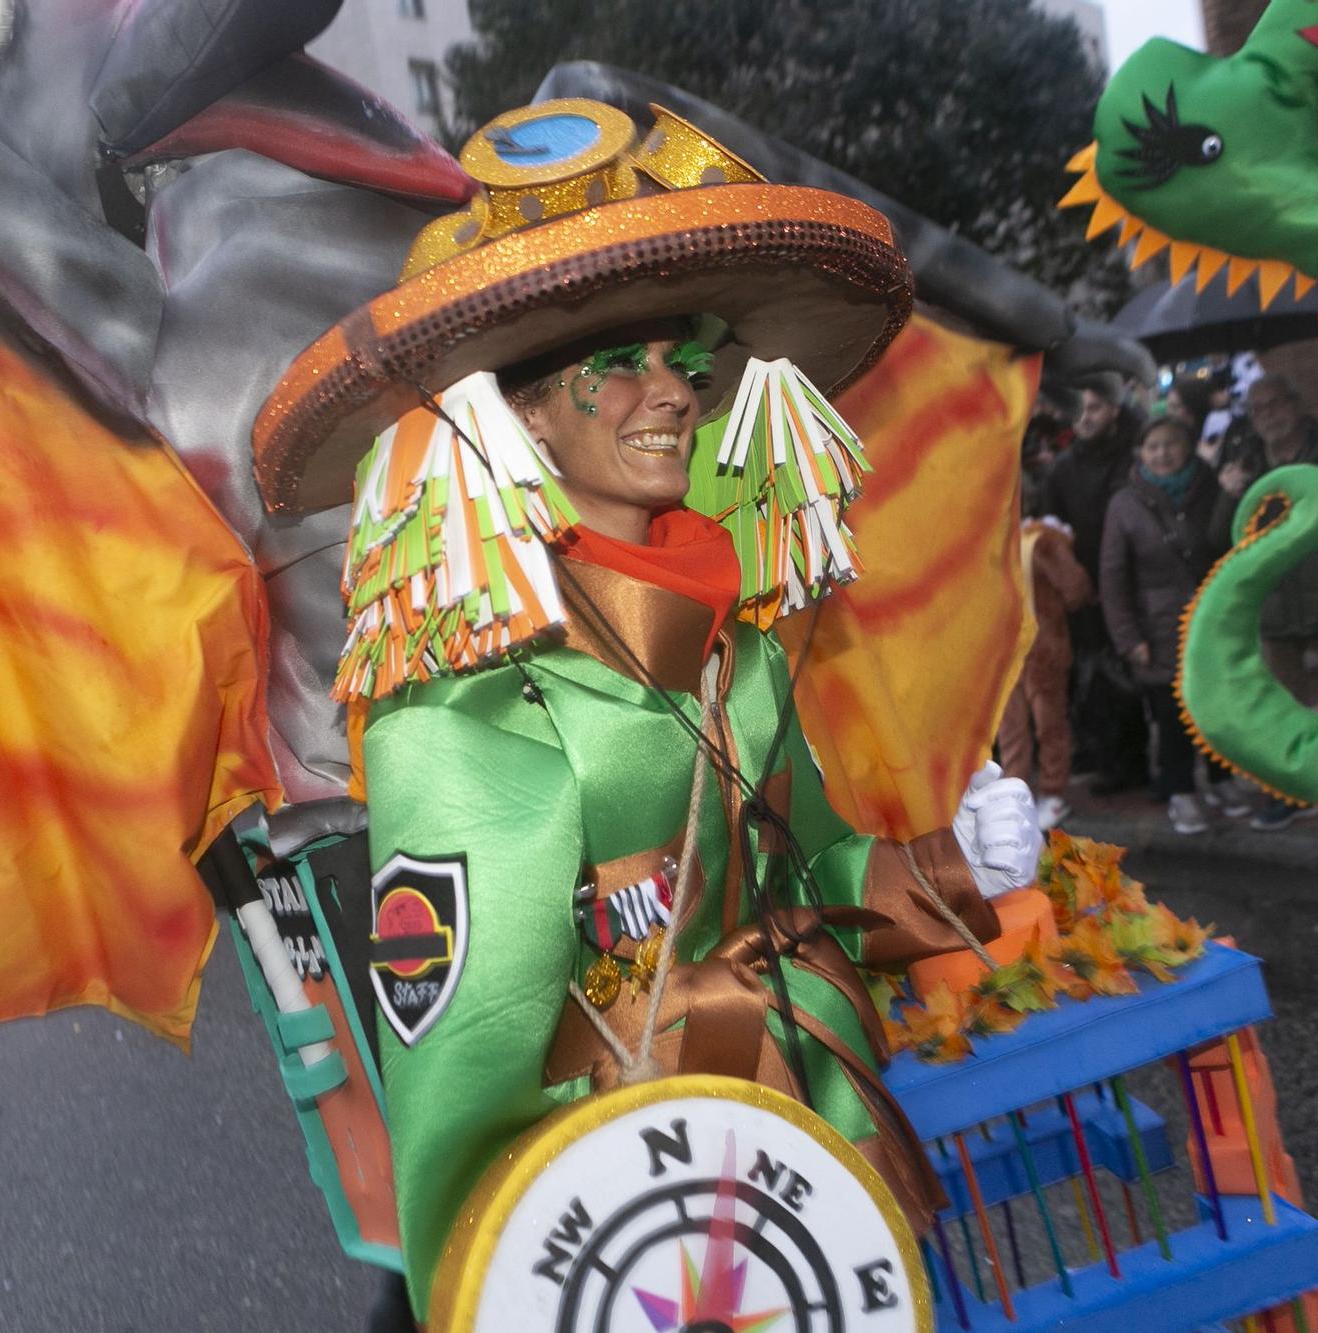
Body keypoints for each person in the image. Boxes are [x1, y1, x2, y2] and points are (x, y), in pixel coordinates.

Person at [248, 100, 1042, 1328]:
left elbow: (808, 878)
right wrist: (502, 1275)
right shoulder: (467, 708)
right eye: (611, 367)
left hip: (799, 1172)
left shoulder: (747, 649)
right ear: (518, 417)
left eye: (683, 356)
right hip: (606, 1227)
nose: (668, 391)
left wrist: (944, 866)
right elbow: (465, 1049)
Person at [1211, 374, 1318, 831]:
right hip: (1276, 604)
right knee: (1280, 710)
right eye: (1258, 409)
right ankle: (1293, 795)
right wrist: (1228, 495)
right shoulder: (1246, 460)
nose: (1268, 415)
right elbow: (1218, 538)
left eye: (1275, 404)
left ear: (1296, 402)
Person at [1100, 417, 1220, 835]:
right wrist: (1128, 638)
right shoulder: (1126, 503)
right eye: (1153, 446)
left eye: (1171, 444)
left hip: (1212, 617)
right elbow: (1113, 578)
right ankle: (1181, 792)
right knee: (1172, 714)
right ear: (1141, 453)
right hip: (1158, 626)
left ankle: (1221, 782)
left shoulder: (1211, 488)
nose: (1163, 453)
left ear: (1188, 446)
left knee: (1218, 702)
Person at [1040, 376, 1148, 795]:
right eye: (1080, 410)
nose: (1086, 418)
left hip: (1131, 581)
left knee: (1135, 673)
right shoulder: (1061, 470)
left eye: (1096, 409)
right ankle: (1110, 760)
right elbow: (1054, 532)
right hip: (1086, 586)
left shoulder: (1132, 457)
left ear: (1115, 411)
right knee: (1096, 675)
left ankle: (1136, 760)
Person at [998, 482, 1093, 831]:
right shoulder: (1000, 540)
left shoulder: (1041, 540)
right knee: (1015, 727)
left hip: (1039, 649)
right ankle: (1016, 793)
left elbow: (1075, 587)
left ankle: (1052, 792)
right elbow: (1076, 590)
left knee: (1045, 722)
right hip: (1012, 649)